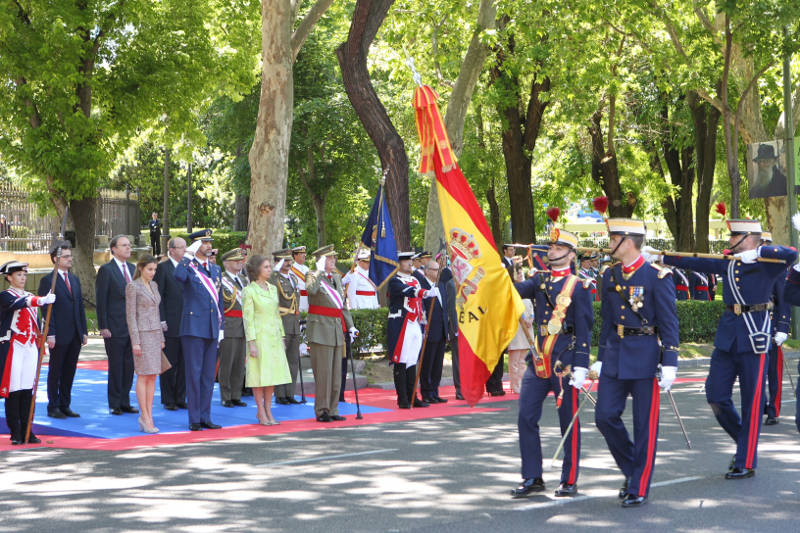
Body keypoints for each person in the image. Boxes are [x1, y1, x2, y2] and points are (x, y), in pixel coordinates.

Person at [648, 218, 796, 480]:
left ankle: (745, 460)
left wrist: (758, 251)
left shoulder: (767, 262)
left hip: (754, 335)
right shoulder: (729, 261)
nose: (730, 241)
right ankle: (744, 442)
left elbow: (791, 254)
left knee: (752, 402)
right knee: (715, 394)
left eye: (735, 237)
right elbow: (696, 262)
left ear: (749, 238)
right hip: (728, 336)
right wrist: (661, 255)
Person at [594, 218, 680, 507]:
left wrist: (670, 361)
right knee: (604, 416)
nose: (609, 244)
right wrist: (600, 359)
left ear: (628, 242)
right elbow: (607, 320)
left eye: (613, 238)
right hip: (616, 354)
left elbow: (669, 322)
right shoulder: (610, 275)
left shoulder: (657, 276)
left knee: (645, 425)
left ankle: (639, 486)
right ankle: (633, 468)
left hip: (645, 356)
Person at [510, 228, 593, 499]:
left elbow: (585, 329)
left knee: (568, 421)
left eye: (558, 248)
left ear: (571, 254)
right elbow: (514, 292)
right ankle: (532, 476)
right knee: (526, 416)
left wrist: (581, 365)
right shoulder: (540, 280)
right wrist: (509, 270)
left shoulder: (579, 286)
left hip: (564, 361)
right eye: (551, 247)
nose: (552, 251)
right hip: (538, 360)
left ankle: (569, 479)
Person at [174, 229, 225, 431]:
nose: (209, 245)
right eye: (204, 242)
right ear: (196, 245)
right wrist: (187, 255)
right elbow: (178, 276)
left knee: (208, 376)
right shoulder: (188, 267)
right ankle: (194, 418)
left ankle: (205, 416)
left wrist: (221, 327)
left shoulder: (215, 269)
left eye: (210, 242)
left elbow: (219, 300)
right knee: (194, 375)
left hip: (212, 327)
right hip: (193, 328)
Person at [0, 261, 54, 444]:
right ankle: (15, 432)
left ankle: (27, 430)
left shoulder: (30, 296)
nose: (23, 278)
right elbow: (18, 304)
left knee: (27, 390)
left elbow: (36, 323)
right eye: (18, 275)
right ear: (9, 277)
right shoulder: (5, 296)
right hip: (14, 347)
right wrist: (41, 300)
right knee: (14, 389)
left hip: (30, 347)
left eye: (24, 275)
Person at [306, 244, 357, 422]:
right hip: (320, 330)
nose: (333, 260)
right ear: (320, 260)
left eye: (334, 257)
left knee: (336, 375)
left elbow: (342, 305)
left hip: (336, 330)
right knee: (324, 374)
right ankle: (322, 410)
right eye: (329, 258)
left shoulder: (336, 277)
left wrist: (350, 326)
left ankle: (333, 408)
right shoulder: (312, 275)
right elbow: (311, 291)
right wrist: (319, 271)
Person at [38, 241, 88, 419]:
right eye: (66, 256)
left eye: (70, 256)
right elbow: (46, 310)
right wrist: (50, 333)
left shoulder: (74, 279)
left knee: (69, 371)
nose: (70, 259)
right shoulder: (48, 281)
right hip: (58, 334)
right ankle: (53, 406)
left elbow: (79, 306)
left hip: (74, 333)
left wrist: (83, 330)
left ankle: (65, 404)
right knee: (56, 371)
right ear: (55, 259)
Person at [243, 254, 292, 425]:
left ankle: (269, 409)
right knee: (259, 375)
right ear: (257, 270)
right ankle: (260, 410)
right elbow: (248, 319)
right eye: (266, 267)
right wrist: (251, 342)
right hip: (259, 337)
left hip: (273, 337)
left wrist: (282, 336)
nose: (270, 269)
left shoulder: (272, 289)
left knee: (272, 375)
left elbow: (276, 315)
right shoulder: (249, 291)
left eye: (270, 267)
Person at [387, 251, 438, 408]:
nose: (410, 263)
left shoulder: (415, 279)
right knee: (401, 361)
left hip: (415, 323)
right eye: (406, 261)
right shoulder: (395, 281)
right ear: (399, 263)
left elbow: (419, 304)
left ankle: (412, 396)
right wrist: (425, 292)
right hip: (402, 323)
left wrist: (424, 321)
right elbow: (408, 291)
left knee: (412, 361)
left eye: (411, 260)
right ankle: (402, 398)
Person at [96, 234, 139, 416]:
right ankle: (114, 403)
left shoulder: (133, 268)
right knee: (116, 366)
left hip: (132, 327)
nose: (128, 248)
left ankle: (125, 401)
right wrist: (103, 325)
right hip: (114, 326)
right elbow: (101, 299)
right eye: (124, 245)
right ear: (114, 249)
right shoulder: (107, 270)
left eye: (129, 245)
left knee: (129, 366)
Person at [125, 255, 166, 433]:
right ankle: (145, 416)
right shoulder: (133, 286)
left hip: (155, 334)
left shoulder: (154, 285)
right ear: (141, 268)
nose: (153, 272)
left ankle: (149, 415)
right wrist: (136, 342)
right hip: (142, 335)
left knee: (153, 376)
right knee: (143, 375)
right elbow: (131, 316)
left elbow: (157, 312)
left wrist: (161, 337)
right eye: (150, 269)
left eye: (155, 269)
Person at [760, 232, 790, 426]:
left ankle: (773, 410)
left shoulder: (778, 269)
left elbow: (783, 300)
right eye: (761, 243)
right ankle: (760, 405)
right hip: (754, 327)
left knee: (773, 373)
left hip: (771, 326)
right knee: (755, 372)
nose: (763, 246)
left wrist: (782, 328)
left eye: (766, 243)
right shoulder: (751, 266)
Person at [155, 237, 187, 411]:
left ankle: (181, 397)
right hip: (170, 323)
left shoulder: (188, 267)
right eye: (181, 247)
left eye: (185, 247)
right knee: (170, 362)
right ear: (172, 250)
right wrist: (161, 319)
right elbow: (159, 296)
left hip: (188, 323)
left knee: (184, 363)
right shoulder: (163, 268)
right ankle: (168, 399)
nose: (184, 250)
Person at [217, 248, 249, 408]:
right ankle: (226, 396)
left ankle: (236, 394)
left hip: (243, 326)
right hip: (229, 325)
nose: (239, 263)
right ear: (227, 263)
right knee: (227, 363)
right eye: (235, 261)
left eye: (240, 260)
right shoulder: (221, 280)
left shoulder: (243, 280)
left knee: (239, 363)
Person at [270, 249, 302, 405]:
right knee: (280, 360)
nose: (289, 263)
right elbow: (269, 286)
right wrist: (275, 271)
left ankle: (290, 393)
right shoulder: (274, 279)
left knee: (293, 361)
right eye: (285, 260)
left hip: (294, 323)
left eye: (290, 260)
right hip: (281, 322)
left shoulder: (293, 278)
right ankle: (280, 394)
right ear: (278, 262)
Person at [418, 258, 450, 404]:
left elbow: (445, 309)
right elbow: (422, 308)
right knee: (428, 364)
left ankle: (435, 392)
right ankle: (426, 393)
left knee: (438, 365)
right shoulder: (422, 286)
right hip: (429, 330)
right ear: (427, 271)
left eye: (439, 270)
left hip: (441, 330)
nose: (438, 272)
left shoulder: (441, 285)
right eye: (435, 270)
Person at [507, 267, 533, 394]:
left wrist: (531, 319)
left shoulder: (527, 292)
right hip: (516, 329)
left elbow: (531, 308)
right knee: (514, 361)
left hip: (527, 330)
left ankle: (522, 383)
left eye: (521, 272)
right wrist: (522, 319)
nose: (520, 275)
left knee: (523, 360)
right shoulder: (511, 291)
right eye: (518, 273)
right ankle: (515, 384)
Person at [290, 246, 309, 313]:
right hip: (298, 299)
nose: (304, 255)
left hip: (308, 299)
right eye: (301, 254)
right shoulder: (291, 270)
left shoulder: (307, 268)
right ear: (295, 256)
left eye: (304, 253)